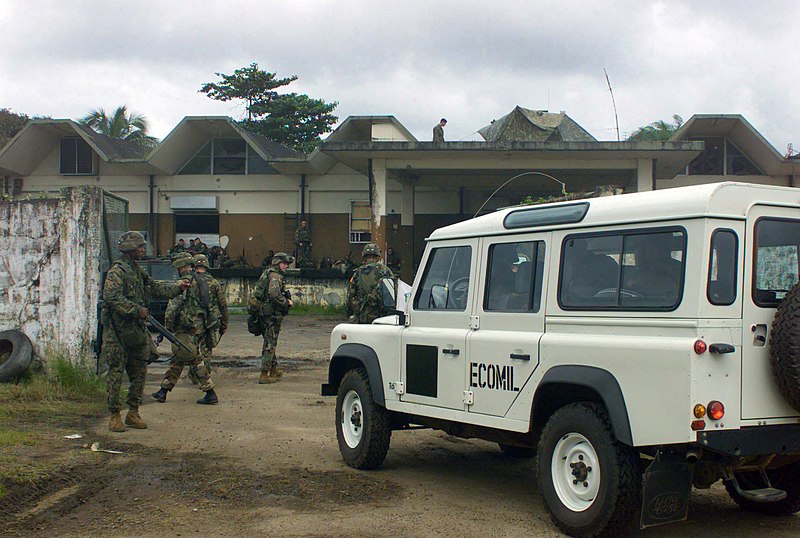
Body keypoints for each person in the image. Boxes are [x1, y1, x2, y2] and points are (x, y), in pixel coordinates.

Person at [100, 231, 188, 432]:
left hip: (137, 333)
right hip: (118, 334)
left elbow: (155, 288)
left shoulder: (138, 271)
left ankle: (133, 412)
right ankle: (115, 415)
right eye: (140, 246)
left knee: (139, 374)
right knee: (115, 374)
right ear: (130, 249)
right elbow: (111, 297)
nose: (143, 249)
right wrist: (136, 310)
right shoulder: (117, 272)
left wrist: (178, 288)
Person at [151, 253, 220, 405]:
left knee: (193, 358)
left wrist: (166, 329)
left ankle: (210, 391)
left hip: (185, 327)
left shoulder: (185, 282)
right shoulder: (200, 280)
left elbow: (172, 309)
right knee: (179, 359)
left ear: (180, 266)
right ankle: (163, 391)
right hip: (198, 326)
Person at [249, 252, 294, 384]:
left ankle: (273, 369)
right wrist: (286, 302)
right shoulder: (275, 276)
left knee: (270, 340)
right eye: (284, 263)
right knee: (270, 342)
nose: (286, 266)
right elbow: (274, 293)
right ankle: (264, 373)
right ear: (277, 263)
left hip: (264, 312)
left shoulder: (268, 272)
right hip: (271, 314)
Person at [187, 253, 228, 383]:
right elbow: (223, 304)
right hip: (210, 320)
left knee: (193, 349)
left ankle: (194, 375)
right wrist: (224, 323)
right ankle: (206, 376)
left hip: (193, 320)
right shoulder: (214, 283)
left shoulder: (189, 281)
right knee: (207, 349)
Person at [346, 243, 395, 324]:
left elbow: (350, 297)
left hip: (361, 318)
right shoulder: (385, 271)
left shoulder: (357, 273)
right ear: (378, 258)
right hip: (380, 318)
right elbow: (392, 294)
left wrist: (351, 314)